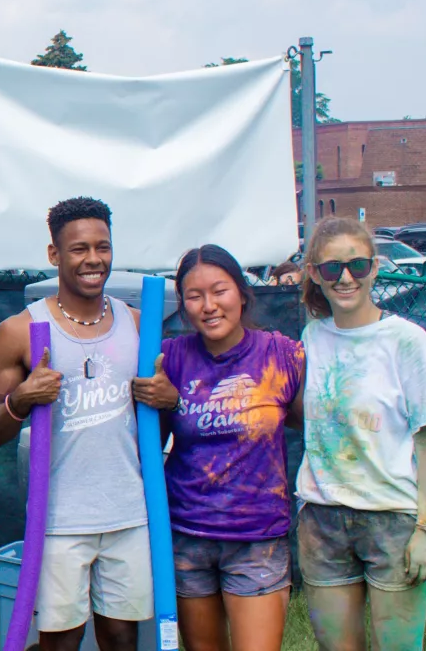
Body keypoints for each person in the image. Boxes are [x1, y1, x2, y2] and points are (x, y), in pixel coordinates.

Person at [0, 197, 153, 651]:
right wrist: (21, 399)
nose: (93, 259)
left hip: (128, 511)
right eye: (79, 249)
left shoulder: (137, 325)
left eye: (103, 247)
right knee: (61, 639)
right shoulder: (20, 331)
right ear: (54, 255)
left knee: (121, 635)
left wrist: (168, 401)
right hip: (58, 517)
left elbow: (159, 426)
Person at [297, 217, 426, 651]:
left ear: (375, 268)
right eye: (331, 269)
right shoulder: (313, 337)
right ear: (314, 275)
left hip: (393, 521)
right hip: (322, 520)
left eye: (357, 266)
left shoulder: (407, 341)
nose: (345, 278)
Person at [147, 244, 305, 651]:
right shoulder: (169, 358)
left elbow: (314, 424)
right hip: (186, 536)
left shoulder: (282, 355)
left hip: (257, 539)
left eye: (219, 291)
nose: (209, 306)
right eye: (195, 296)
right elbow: (150, 443)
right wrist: (166, 402)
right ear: (182, 305)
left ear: (242, 292)